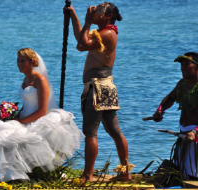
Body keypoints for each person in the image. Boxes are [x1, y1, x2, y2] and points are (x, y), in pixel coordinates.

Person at [0, 48, 84, 182]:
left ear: (32, 62)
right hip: (23, 117)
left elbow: (42, 110)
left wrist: (21, 122)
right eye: (18, 61)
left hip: (37, 119)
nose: (19, 64)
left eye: (23, 61)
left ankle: (4, 172)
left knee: (7, 136)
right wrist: (12, 116)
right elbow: (26, 106)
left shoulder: (40, 80)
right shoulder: (25, 80)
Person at [64, 2, 132, 182]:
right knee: (114, 131)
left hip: (98, 88)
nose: (95, 10)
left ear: (108, 16)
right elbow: (81, 41)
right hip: (102, 86)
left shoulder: (108, 33)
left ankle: (88, 175)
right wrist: (74, 16)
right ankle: (124, 173)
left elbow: (82, 44)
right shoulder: (103, 33)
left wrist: (87, 21)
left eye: (100, 10)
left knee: (91, 132)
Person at [153, 52, 198, 179]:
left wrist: (195, 132)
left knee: (193, 176)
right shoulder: (182, 84)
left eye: (186, 64)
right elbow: (170, 98)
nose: (182, 68)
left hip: (195, 137)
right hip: (184, 136)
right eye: (181, 65)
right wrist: (160, 110)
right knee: (182, 174)